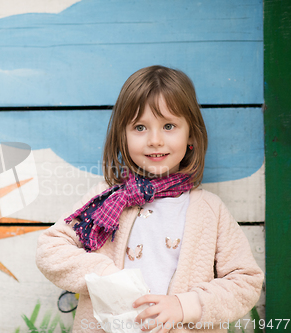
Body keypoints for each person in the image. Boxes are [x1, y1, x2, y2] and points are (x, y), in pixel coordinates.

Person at [36, 66, 263, 333]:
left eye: (169, 126)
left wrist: (184, 306)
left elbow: (245, 281)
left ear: (190, 133)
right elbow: (50, 250)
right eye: (140, 127)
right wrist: (105, 276)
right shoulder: (107, 198)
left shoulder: (210, 210)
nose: (155, 140)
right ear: (123, 134)